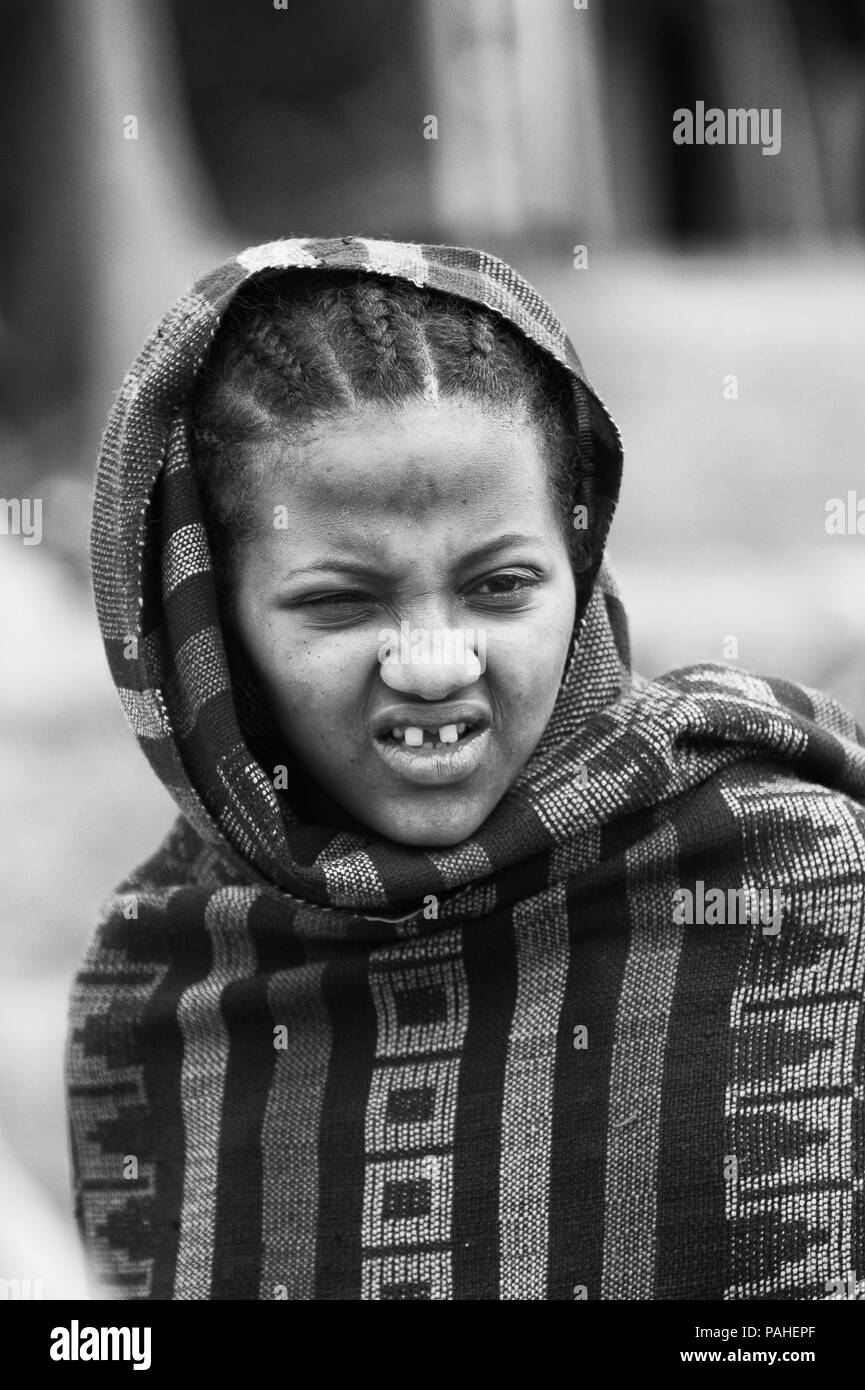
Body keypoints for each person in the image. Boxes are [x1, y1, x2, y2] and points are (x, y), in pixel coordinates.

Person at [67, 236, 865, 1301]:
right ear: (210, 629)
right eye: (339, 601)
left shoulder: (806, 886)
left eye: (499, 586)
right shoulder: (159, 1000)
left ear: (577, 573)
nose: (436, 662)